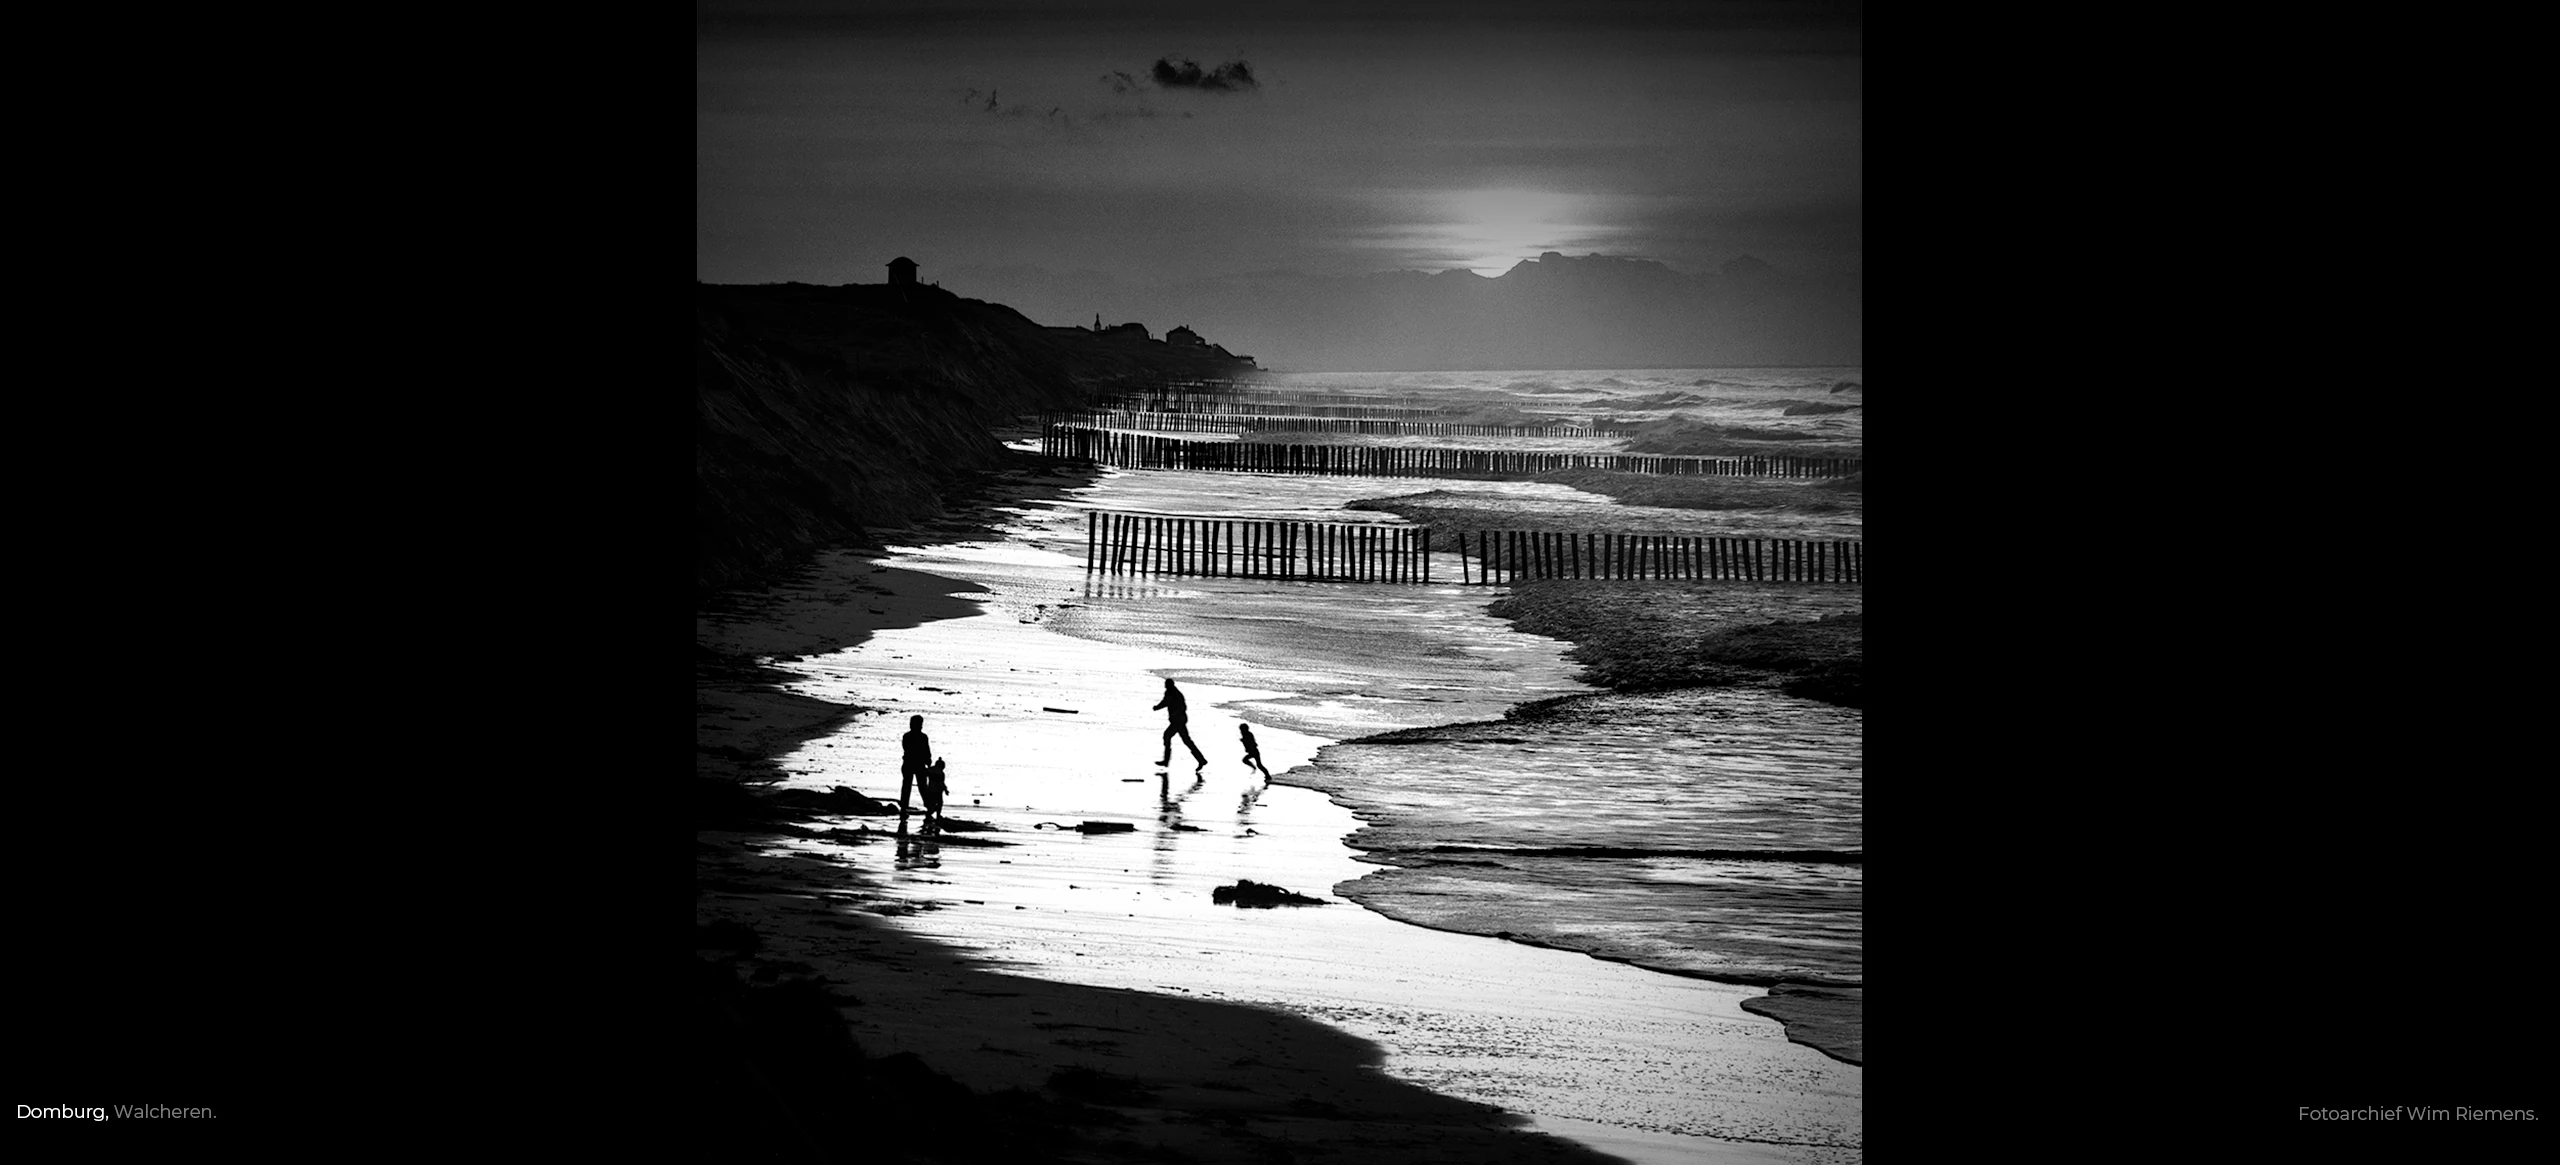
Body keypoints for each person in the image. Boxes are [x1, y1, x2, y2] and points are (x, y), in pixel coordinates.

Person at [1153, 679, 1207, 769]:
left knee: (1168, 736)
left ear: (1169, 685)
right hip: (1179, 720)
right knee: (1186, 741)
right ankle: (1201, 760)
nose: (1164, 686)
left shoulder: (1172, 693)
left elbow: (1166, 702)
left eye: (1166, 684)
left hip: (1178, 721)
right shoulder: (1174, 692)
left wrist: (1157, 707)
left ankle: (1166, 761)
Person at [899, 715, 932, 814]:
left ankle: (906, 805)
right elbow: (925, 751)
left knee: (916, 786)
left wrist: (928, 759)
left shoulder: (911, 736)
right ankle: (906, 805)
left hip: (913, 763)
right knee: (915, 786)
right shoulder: (918, 737)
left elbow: (926, 750)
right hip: (914, 763)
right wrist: (927, 760)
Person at [919, 758, 948, 831]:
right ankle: (934, 815)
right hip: (936, 791)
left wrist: (945, 789)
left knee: (935, 804)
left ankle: (932, 814)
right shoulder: (940, 773)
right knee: (939, 804)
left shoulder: (932, 770)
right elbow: (942, 783)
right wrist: (945, 789)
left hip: (933, 790)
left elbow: (924, 773)